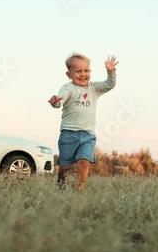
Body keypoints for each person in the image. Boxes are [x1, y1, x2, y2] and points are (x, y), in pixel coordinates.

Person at [48, 53, 119, 191]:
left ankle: (79, 191)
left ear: (90, 72)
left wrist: (111, 71)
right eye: (78, 71)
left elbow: (110, 84)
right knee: (65, 166)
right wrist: (55, 102)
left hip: (88, 135)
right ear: (69, 74)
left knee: (84, 162)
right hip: (69, 134)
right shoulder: (68, 88)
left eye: (86, 71)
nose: (83, 74)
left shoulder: (94, 88)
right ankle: (61, 185)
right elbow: (60, 101)